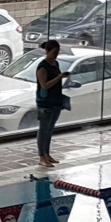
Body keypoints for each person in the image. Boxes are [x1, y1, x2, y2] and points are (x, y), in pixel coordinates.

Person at [36, 40, 69, 168]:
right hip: (44, 103)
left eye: (57, 52)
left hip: (55, 100)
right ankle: (41, 156)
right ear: (47, 51)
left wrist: (61, 76)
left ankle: (47, 154)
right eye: (54, 52)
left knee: (49, 129)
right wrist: (59, 77)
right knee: (43, 129)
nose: (56, 55)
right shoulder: (42, 67)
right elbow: (44, 85)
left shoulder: (55, 64)